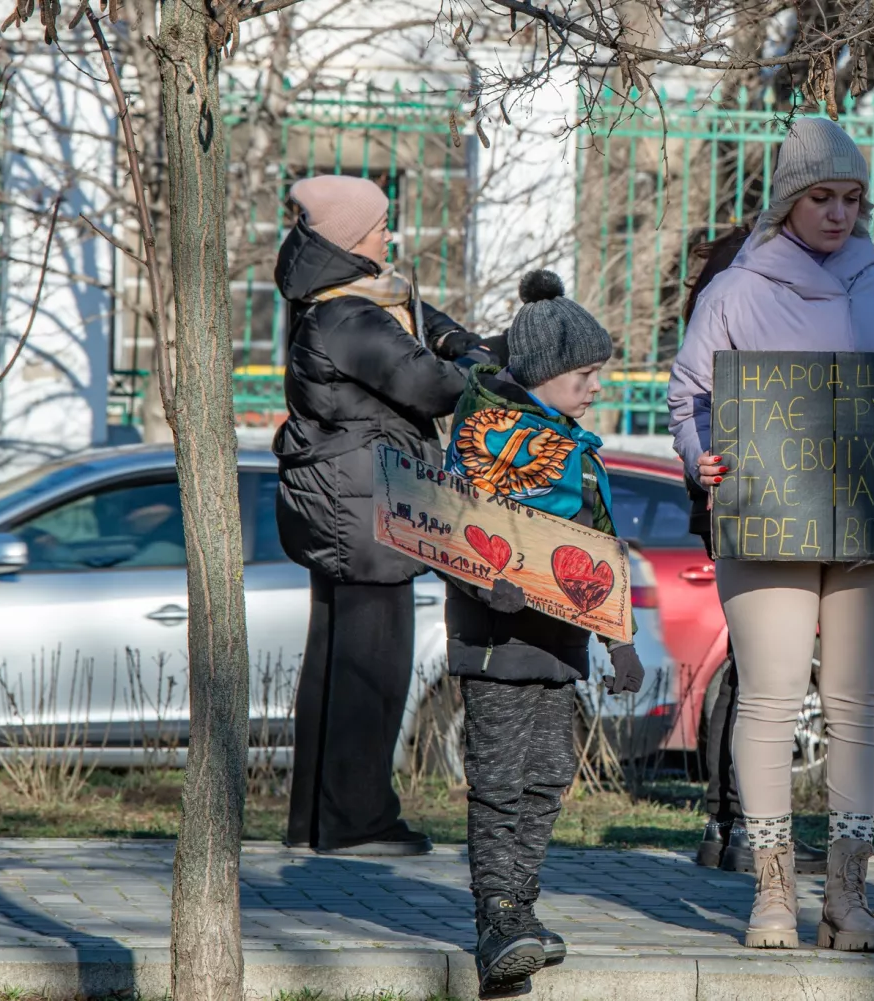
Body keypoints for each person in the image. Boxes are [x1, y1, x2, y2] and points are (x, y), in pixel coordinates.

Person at [668, 117, 874, 952]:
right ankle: (773, 894)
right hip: (766, 514)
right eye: (822, 196)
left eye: (853, 198)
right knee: (775, 696)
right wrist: (700, 456)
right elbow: (688, 399)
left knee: (859, 703)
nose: (839, 214)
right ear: (788, 199)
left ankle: (848, 895)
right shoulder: (737, 290)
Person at [443, 270, 646, 994]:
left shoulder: (578, 451)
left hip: (560, 644)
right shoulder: (481, 439)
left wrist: (619, 641)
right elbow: (450, 527)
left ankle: (520, 911)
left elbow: (601, 546)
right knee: (498, 780)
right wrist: (480, 580)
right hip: (494, 643)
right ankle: (496, 916)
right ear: (547, 372)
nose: (595, 387)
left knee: (547, 777)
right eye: (587, 374)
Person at [275, 174, 489, 856]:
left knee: (335, 661)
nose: (389, 235)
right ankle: (358, 821)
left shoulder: (342, 301)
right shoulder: (350, 317)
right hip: (365, 507)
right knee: (373, 667)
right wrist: (484, 367)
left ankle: (317, 819)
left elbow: (425, 328)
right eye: (379, 225)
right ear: (347, 238)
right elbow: (430, 385)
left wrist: (463, 341)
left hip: (343, 502)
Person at [681, 227, 829, 877]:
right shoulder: (751, 287)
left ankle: (726, 823)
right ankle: (743, 825)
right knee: (763, 674)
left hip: (743, 494)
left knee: (749, 668)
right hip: (762, 496)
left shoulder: (729, 278)